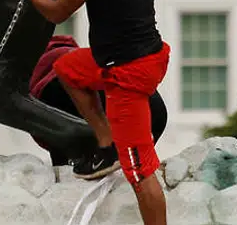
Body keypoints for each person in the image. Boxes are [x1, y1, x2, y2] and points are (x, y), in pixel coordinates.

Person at [7, 0, 170, 225]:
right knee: (66, 68)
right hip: (138, 57)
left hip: (127, 76)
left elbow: (54, 12)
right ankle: (106, 142)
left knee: (140, 172)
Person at [26, 33, 168, 168]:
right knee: (139, 170)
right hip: (151, 104)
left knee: (80, 172)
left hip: (76, 100)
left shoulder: (40, 70)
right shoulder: (68, 52)